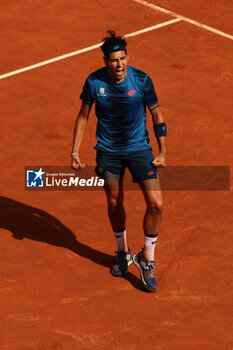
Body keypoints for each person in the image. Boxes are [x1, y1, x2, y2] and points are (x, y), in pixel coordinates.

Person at [71, 30, 167, 292]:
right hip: (108, 152)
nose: (119, 64)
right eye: (113, 60)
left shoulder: (142, 80)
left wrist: (162, 151)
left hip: (139, 150)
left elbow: (156, 114)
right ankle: (123, 253)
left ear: (127, 58)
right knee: (114, 201)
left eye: (123, 58)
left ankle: (147, 258)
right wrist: (75, 151)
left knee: (156, 204)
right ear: (105, 61)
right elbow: (83, 117)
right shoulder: (93, 83)